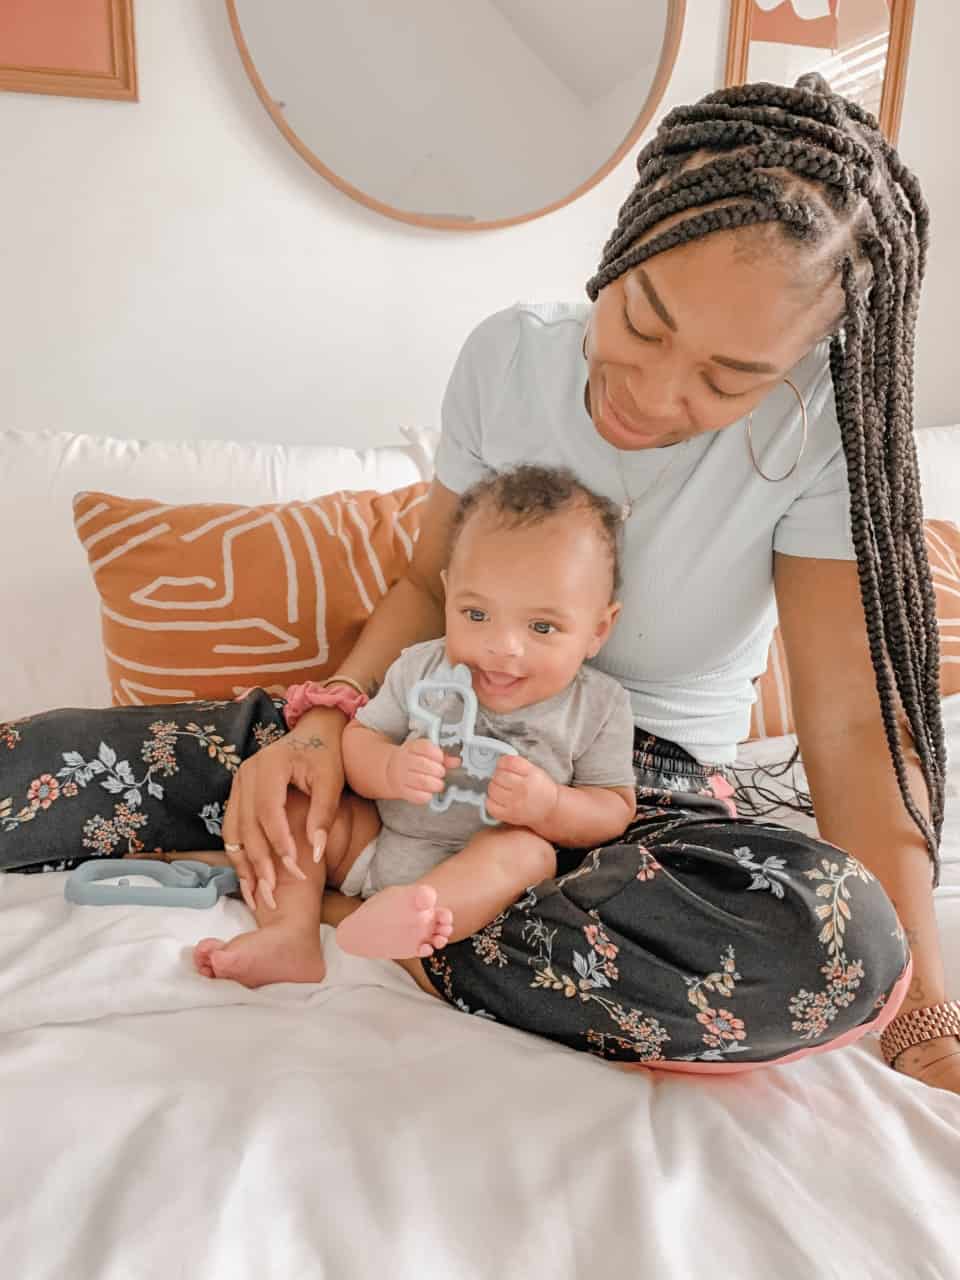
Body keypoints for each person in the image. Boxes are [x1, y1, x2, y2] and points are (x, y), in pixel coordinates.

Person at [219, 75, 959, 1087]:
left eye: (727, 377)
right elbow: (431, 593)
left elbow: (851, 732)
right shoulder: (508, 356)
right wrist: (318, 728)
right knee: (88, 760)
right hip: (429, 730)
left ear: (799, 361)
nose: (652, 396)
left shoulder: (821, 437)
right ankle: (400, 890)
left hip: (634, 800)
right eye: (644, 323)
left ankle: (378, 908)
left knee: (845, 950)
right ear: (623, 244)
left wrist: (922, 1020)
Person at [193, 466, 636, 985]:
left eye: (542, 627)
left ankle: (411, 919)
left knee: (527, 852)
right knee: (299, 803)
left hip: (473, 875)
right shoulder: (421, 668)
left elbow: (614, 807)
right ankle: (289, 935)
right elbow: (359, 742)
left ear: (597, 630)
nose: (502, 646)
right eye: (476, 615)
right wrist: (389, 768)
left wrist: (551, 806)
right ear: (447, 595)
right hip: (379, 841)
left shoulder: (599, 705)